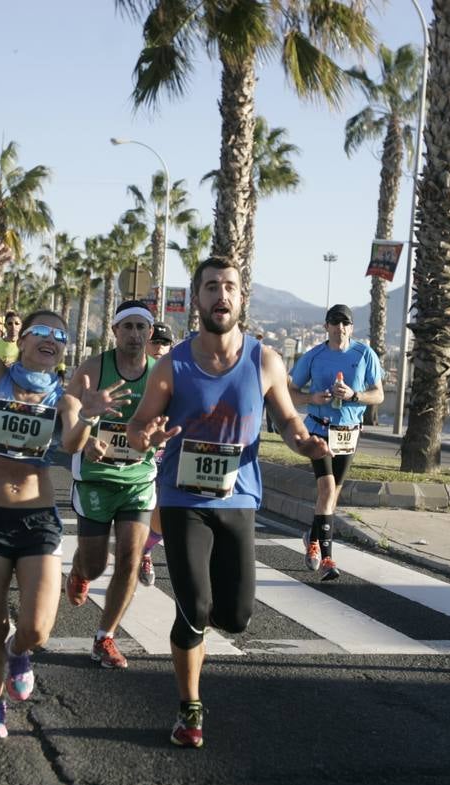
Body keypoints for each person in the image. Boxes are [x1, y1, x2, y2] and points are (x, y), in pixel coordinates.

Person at [127, 256, 329, 749]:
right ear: (196, 300)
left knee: (236, 617)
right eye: (211, 287)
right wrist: (145, 435)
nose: (221, 295)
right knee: (194, 605)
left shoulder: (265, 360)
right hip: (182, 499)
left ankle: (197, 637)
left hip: (238, 500)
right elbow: (136, 430)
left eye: (230, 287)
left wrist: (303, 442)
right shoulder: (172, 365)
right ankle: (189, 707)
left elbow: (286, 419)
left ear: (241, 299)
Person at [0, 239, 128, 740]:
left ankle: (20, 655)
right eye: (42, 331)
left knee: (37, 629)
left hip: (38, 519)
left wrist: (87, 419)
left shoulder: (66, 396)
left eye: (60, 336)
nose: (51, 338)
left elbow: (70, 439)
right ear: (22, 339)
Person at [64, 300, 160, 670]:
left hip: (137, 478)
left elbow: (170, 417)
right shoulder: (93, 368)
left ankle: (105, 637)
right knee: (95, 564)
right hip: (95, 479)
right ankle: (79, 570)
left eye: (141, 327)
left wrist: (157, 438)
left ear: (150, 333)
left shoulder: (159, 373)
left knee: (130, 559)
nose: (135, 334)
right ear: (115, 331)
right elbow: (69, 411)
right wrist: (86, 438)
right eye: (128, 327)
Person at [289, 304, 385, 580]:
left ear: (351, 328)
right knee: (327, 489)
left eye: (345, 323)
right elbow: (291, 392)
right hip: (320, 430)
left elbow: (378, 395)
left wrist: (354, 395)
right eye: (334, 322)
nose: (339, 327)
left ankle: (313, 537)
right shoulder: (314, 356)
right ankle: (328, 558)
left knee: (331, 496)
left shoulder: (364, 354)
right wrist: (312, 399)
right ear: (326, 327)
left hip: (348, 433)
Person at [137, 320, 174, 585]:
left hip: (165, 452)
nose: (159, 347)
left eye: (164, 343)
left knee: (162, 517)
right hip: (133, 454)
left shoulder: (178, 375)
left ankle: (145, 551)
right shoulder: (132, 372)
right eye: (155, 342)